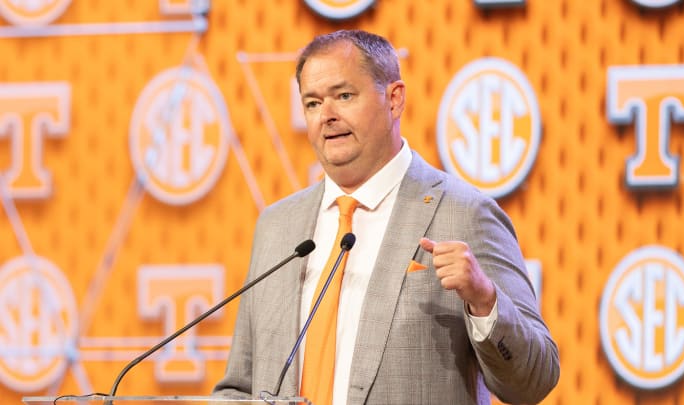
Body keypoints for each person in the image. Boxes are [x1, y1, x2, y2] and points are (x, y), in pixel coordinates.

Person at [214, 29, 559, 405]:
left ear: (394, 100)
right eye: (312, 103)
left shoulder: (464, 213)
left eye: (344, 96)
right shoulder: (277, 227)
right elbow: (240, 387)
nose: (326, 116)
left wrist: (484, 299)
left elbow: (534, 380)